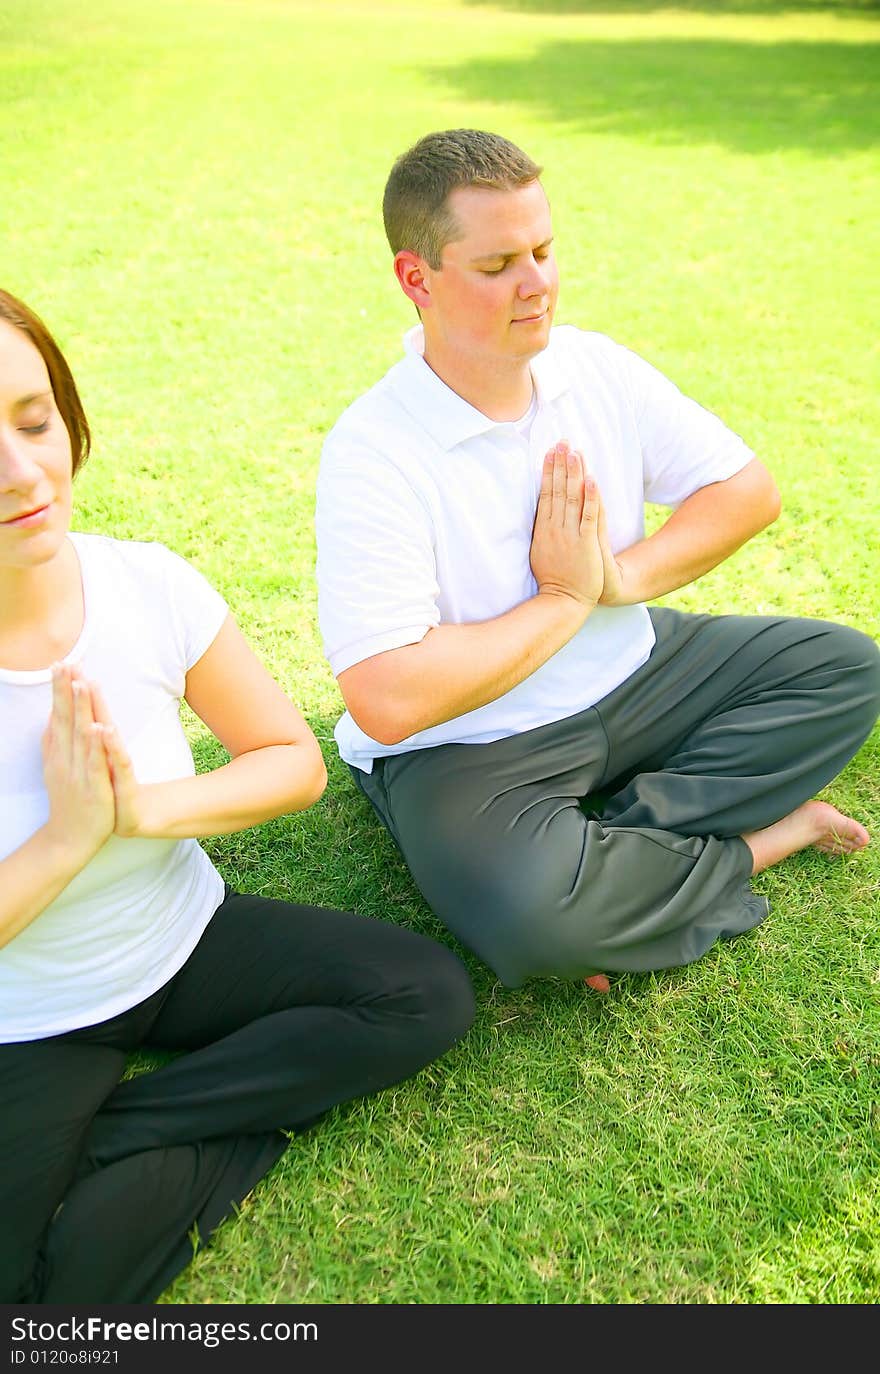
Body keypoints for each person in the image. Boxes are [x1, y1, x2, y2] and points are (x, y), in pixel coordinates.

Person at [315, 127, 880, 996]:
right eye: (499, 263)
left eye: (543, 250)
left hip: (637, 667)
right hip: (472, 742)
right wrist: (563, 599)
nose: (537, 283)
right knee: (537, 926)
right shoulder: (374, 449)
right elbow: (389, 700)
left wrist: (616, 583)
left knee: (845, 670)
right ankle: (758, 843)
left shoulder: (593, 367)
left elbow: (745, 489)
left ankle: (613, 861)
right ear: (416, 279)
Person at [0, 287, 475, 1305]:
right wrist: (65, 841)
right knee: (36, 1308)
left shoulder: (147, 586)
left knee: (421, 995)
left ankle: (111, 1140)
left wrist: (139, 813)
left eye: (32, 421)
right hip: (27, 1019)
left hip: (182, 942)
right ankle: (190, 1138)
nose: (19, 471)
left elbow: (286, 758)